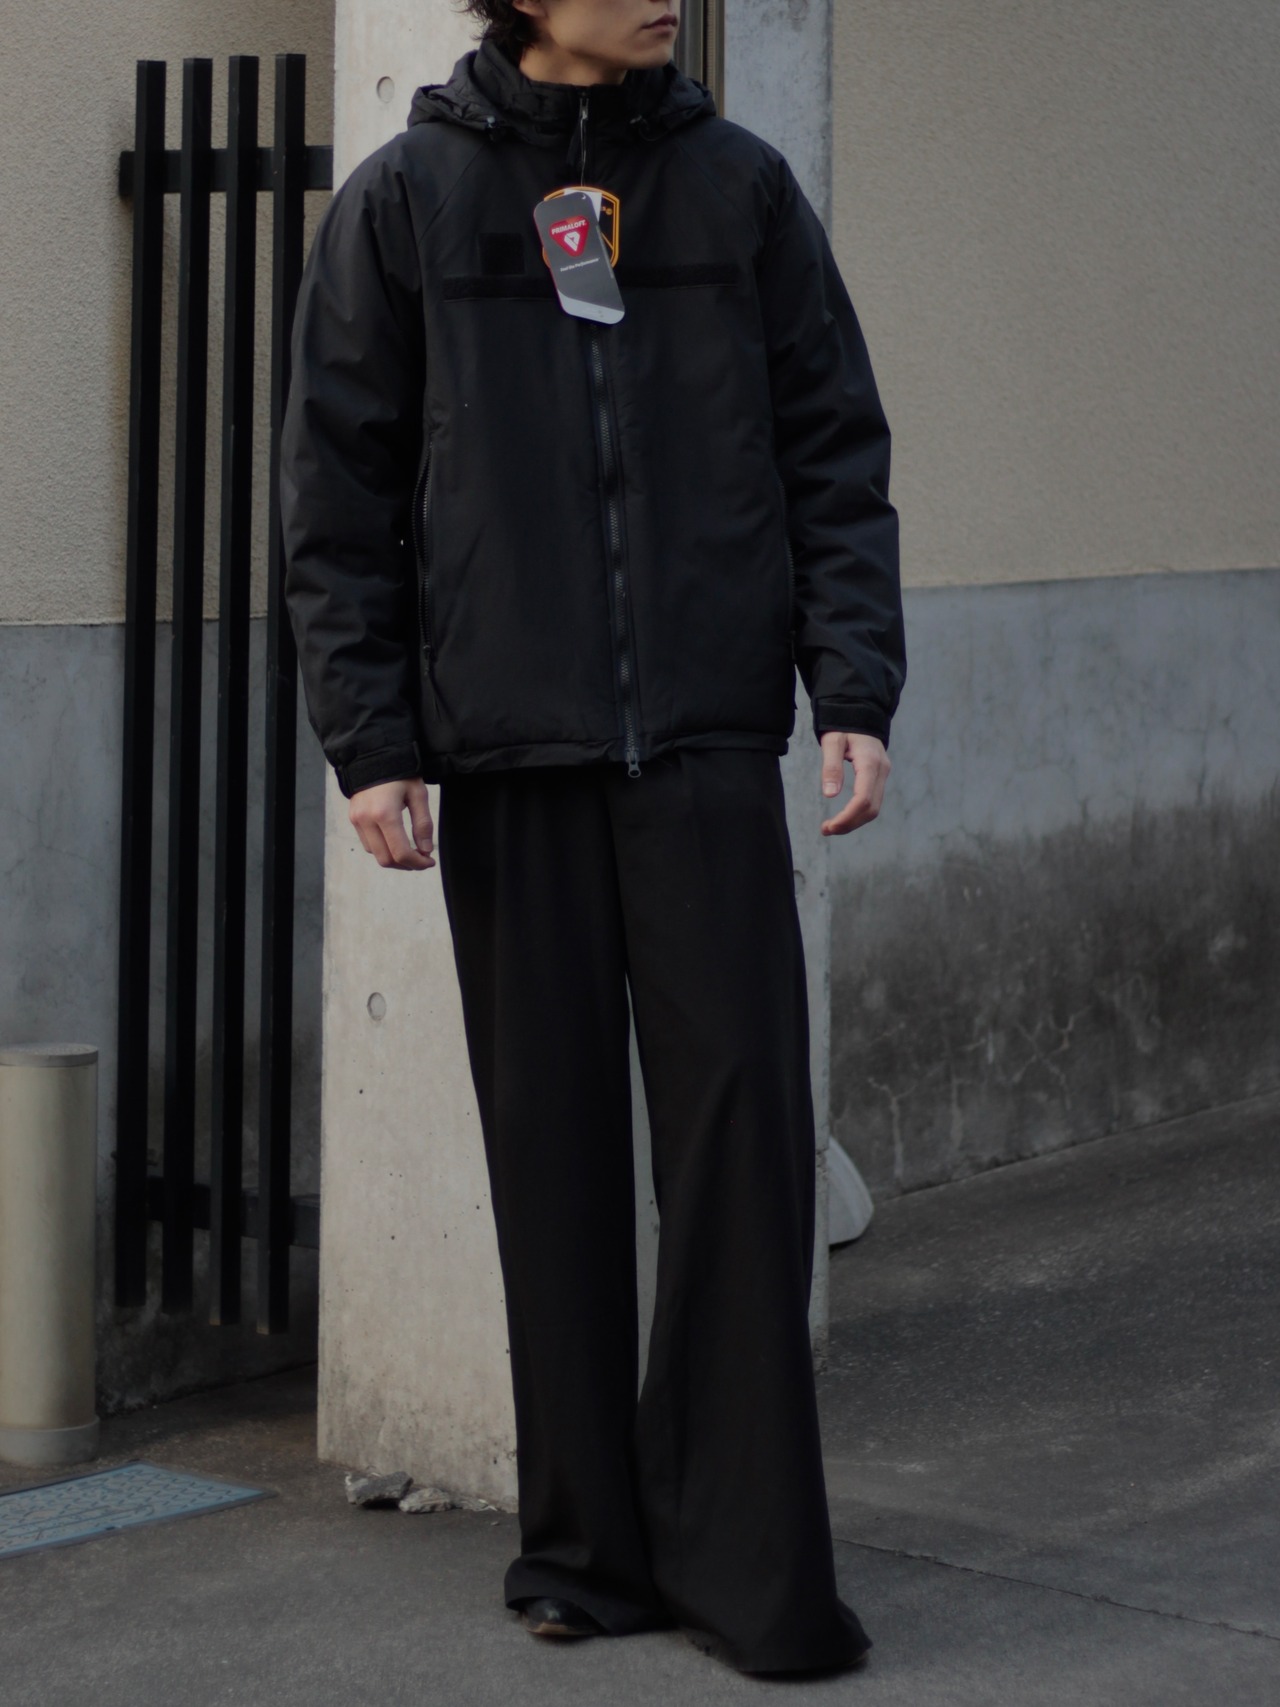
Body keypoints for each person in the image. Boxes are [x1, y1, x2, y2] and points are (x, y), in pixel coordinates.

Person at [280, 0, 905, 1677]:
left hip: (704, 745)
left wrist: (852, 682)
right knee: (551, 1161)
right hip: (513, 751)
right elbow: (337, 493)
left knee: (744, 1153)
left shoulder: (739, 189)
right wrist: (372, 740)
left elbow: (833, 447)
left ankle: (751, 1568)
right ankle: (583, 1550)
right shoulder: (410, 201)